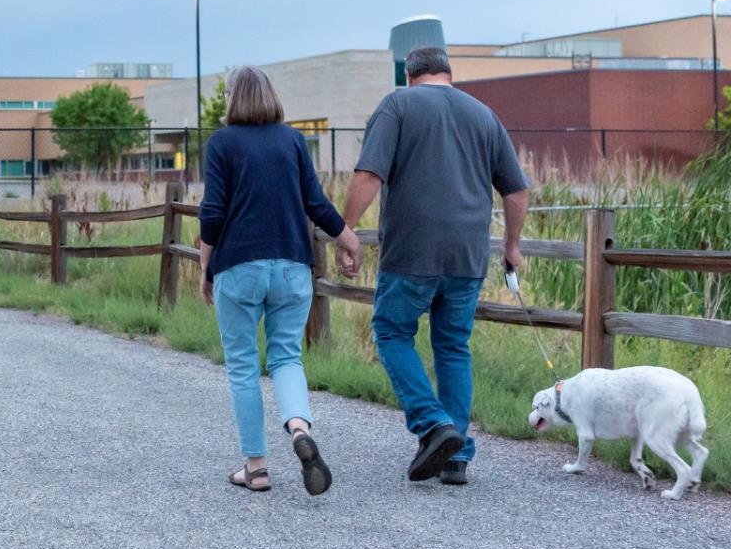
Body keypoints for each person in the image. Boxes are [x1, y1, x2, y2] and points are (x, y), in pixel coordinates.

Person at [336, 46, 530, 486]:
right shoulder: (483, 114)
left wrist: (345, 228)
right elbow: (516, 192)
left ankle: (431, 423)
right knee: (452, 346)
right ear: (447, 73)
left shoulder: (398, 104)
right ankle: (457, 453)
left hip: (412, 251)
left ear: (411, 74)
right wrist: (512, 246)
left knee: (391, 332)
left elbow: (369, 174)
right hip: (468, 255)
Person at [198, 65, 345, 496]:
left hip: (239, 266)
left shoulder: (221, 143)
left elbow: (213, 214)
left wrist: (206, 268)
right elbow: (315, 202)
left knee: (243, 366)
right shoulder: (293, 140)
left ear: (232, 98)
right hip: (292, 267)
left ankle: (257, 468)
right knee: (286, 359)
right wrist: (347, 238)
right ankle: (299, 429)